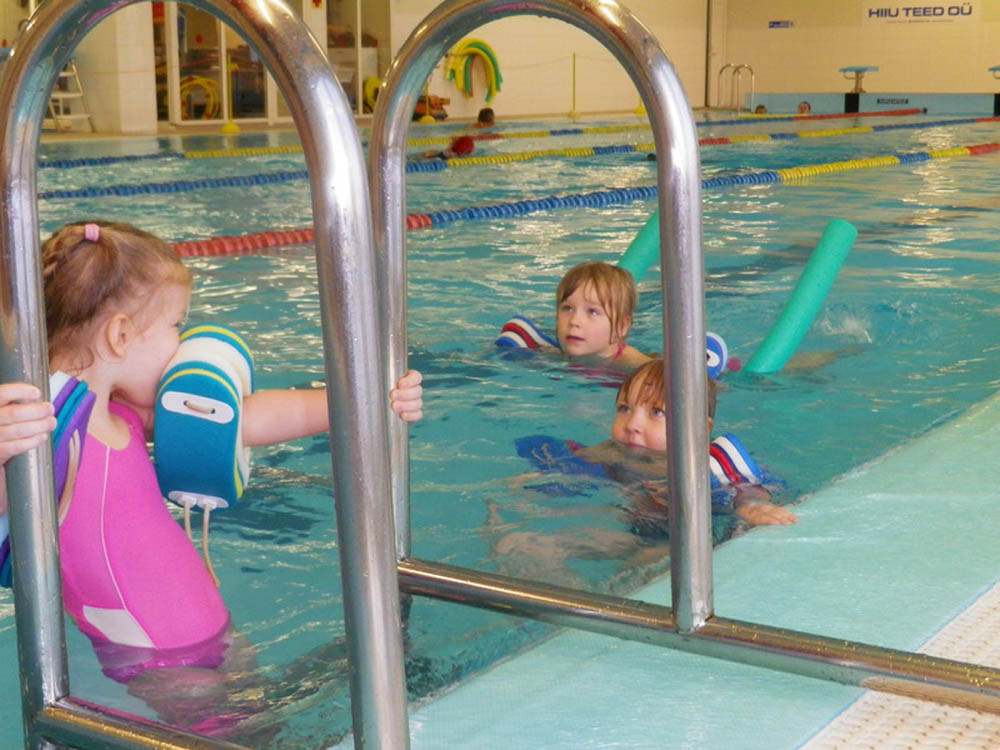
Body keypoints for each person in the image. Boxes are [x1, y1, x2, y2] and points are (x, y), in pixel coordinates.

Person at [0, 220, 423, 667]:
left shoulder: (121, 415)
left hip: (201, 631)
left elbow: (244, 419)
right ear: (119, 335)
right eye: (175, 324)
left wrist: (366, 400)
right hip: (162, 664)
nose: (181, 341)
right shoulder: (47, 437)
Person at [491, 359, 796, 587]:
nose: (633, 425)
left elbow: (743, 488)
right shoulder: (615, 451)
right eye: (625, 408)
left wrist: (753, 507)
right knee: (530, 545)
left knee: (642, 573)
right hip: (636, 535)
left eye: (656, 412)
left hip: (690, 546)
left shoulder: (709, 461)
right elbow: (573, 467)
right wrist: (536, 482)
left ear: (700, 429)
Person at [554, 261, 650, 367]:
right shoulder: (555, 353)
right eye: (567, 308)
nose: (574, 321)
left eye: (593, 312)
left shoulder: (636, 366)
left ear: (621, 327)